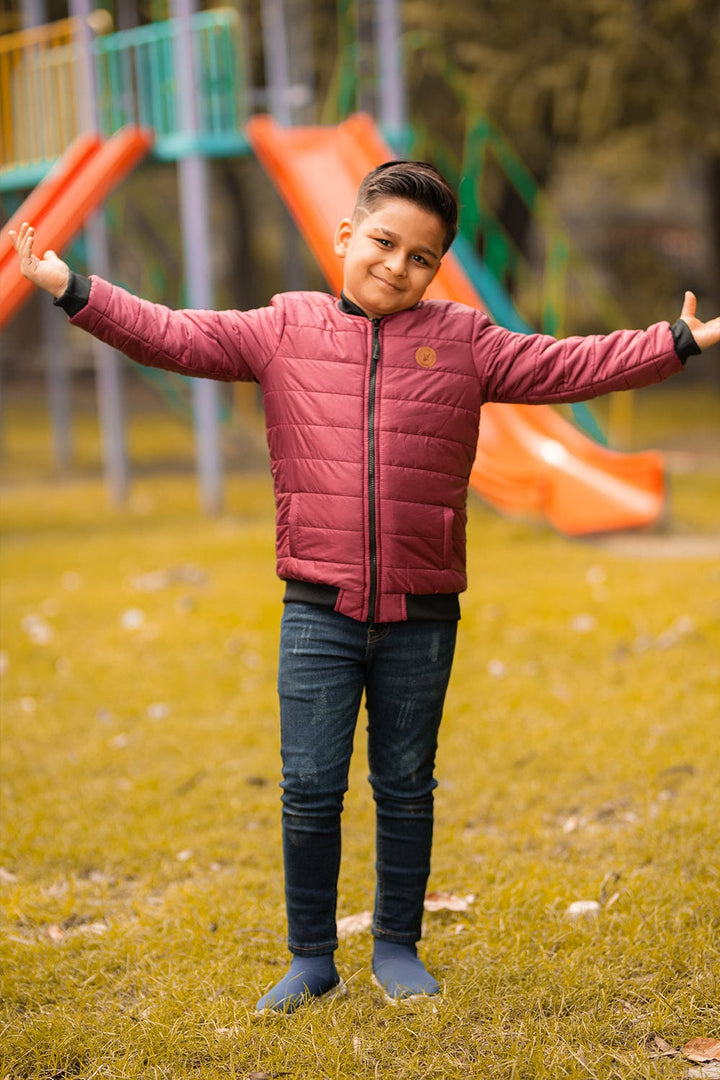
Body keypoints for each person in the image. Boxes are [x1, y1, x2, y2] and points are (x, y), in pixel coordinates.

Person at [9, 162, 720, 1015]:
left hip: (423, 613)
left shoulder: (465, 340)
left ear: (438, 269)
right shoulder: (284, 328)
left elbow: (565, 366)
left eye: (421, 257)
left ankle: (396, 945)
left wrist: (672, 343)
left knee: (406, 784)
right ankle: (312, 955)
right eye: (384, 242)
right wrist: (71, 286)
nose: (396, 266)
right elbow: (173, 334)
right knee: (309, 785)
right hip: (318, 607)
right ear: (347, 236)